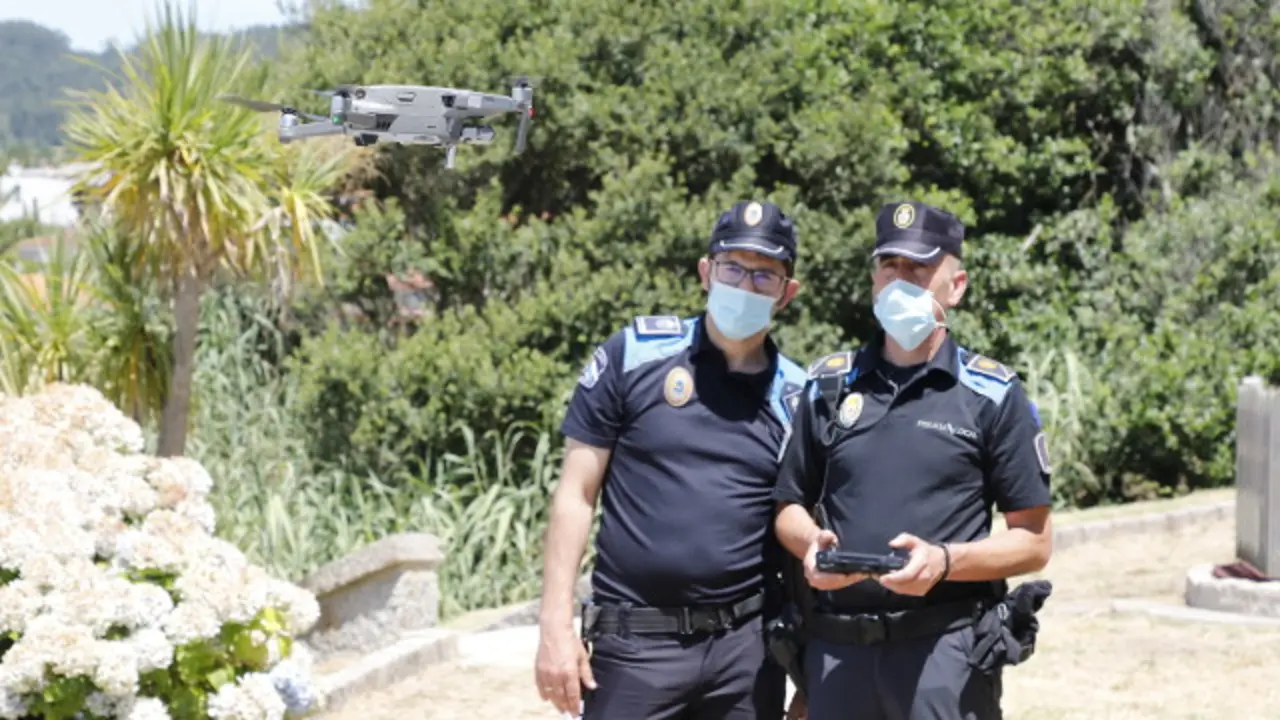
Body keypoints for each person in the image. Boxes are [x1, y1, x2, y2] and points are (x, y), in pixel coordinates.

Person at [772, 200, 1055, 720]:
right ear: (874, 278)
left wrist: (944, 561)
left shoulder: (991, 395)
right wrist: (810, 545)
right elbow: (788, 505)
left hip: (944, 657)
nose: (900, 281)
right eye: (890, 266)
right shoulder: (828, 386)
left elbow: (1034, 543)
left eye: (919, 268)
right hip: (838, 659)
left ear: (957, 285)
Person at [535, 200, 812, 720]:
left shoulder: (799, 398)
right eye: (732, 267)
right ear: (706, 272)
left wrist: (814, 674)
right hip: (634, 649)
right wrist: (555, 624)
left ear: (786, 293)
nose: (744, 286)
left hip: (746, 657)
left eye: (764, 275)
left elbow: (802, 535)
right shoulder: (633, 355)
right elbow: (576, 493)